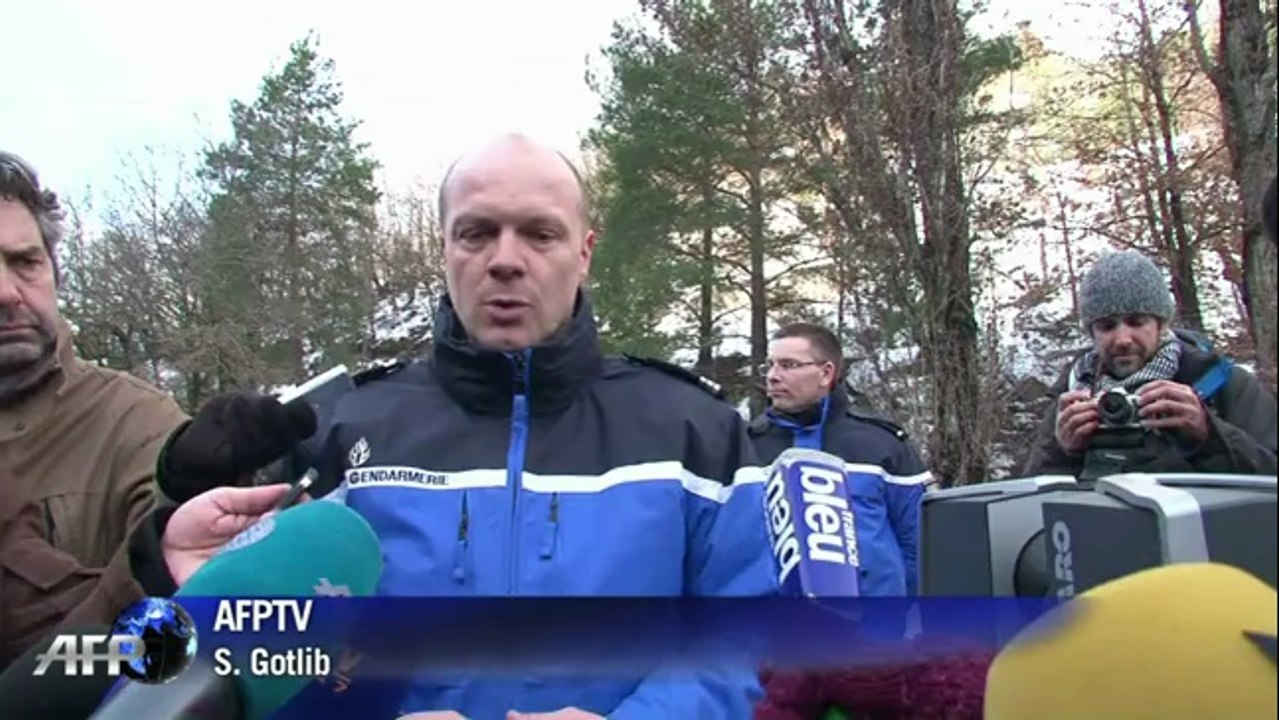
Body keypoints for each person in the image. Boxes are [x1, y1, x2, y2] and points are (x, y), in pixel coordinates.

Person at [156, 134, 777, 720]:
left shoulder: (696, 430)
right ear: (445, 248)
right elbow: (273, 649)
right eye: (477, 233)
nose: (506, 261)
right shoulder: (346, 432)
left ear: (585, 252)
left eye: (540, 233)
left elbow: (755, 634)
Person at [0, 151, 189, 665]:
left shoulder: (140, 424)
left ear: (54, 272)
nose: (6, 292)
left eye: (25, 262)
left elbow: (162, 645)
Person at [1022, 250, 1276, 479]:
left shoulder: (1222, 384)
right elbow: (1031, 507)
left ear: (1162, 324)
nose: (1122, 339)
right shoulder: (1071, 400)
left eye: (1136, 321)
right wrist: (1063, 451)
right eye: (1107, 326)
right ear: (1091, 333)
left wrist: (1209, 434)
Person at [748, 323, 930, 598]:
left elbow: (919, 542)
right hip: (774, 629)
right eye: (769, 366)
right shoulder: (747, 446)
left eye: (788, 365)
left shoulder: (881, 442)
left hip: (874, 629)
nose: (773, 376)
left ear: (826, 373)